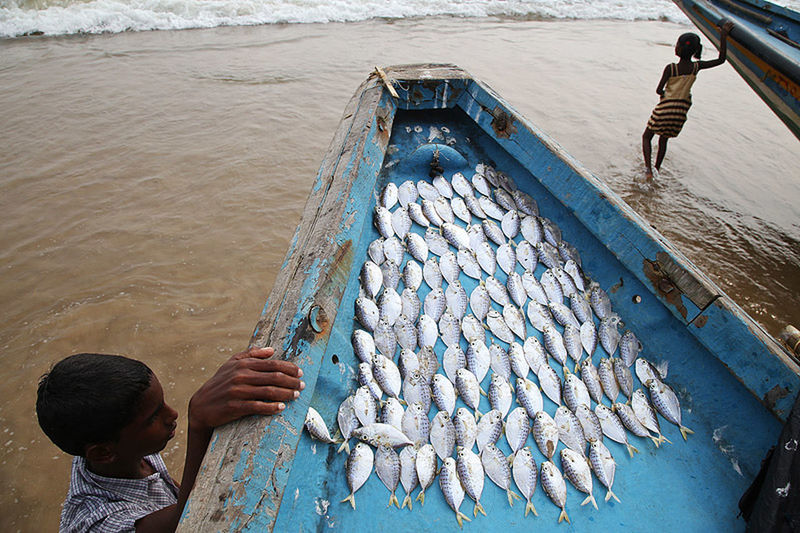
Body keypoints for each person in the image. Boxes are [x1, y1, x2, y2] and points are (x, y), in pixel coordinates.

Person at [36, 347, 305, 532]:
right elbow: (185, 523)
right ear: (103, 453)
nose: (172, 414)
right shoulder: (96, 522)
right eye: (153, 417)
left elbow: (172, 495)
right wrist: (198, 426)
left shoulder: (117, 448)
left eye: (162, 403)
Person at [642, 21, 735, 179]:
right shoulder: (696, 67)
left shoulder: (671, 68)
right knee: (664, 139)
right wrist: (723, 36)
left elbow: (659, 89)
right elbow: (721, 60)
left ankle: (649, 170)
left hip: (665, 108)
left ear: (677, 48)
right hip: (680, 113)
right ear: (695, 51)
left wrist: (663, 93)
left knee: (647, 137)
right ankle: (657, 168)